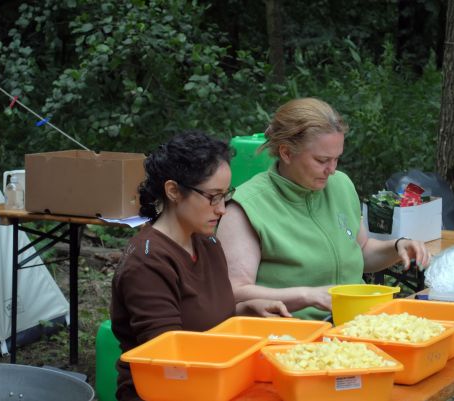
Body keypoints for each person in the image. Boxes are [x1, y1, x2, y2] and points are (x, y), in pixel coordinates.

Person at [111, 131, 290, 401]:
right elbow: (169, 358)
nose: (222, 210)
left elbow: (205, 322)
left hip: (216, 381)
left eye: (225, 196)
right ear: (173, 191)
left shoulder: (207, 243)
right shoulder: (148, 262)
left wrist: (243, 311)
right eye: (212, 197)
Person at [216, 98, 431, 321]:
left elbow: (361, 250)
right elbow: (235, 291)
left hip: (359, 322)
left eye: (336, 159)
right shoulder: (246, 207)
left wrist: (398, 248)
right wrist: (307, 295)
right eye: (321, 160)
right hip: (293, 331)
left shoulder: (341, 185)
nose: (331, 170)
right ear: (286, 153)